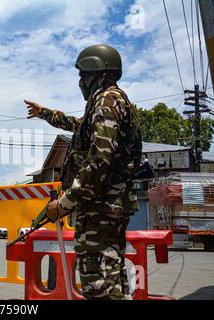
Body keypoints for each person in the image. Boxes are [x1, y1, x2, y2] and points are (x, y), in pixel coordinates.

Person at [25, 44, 143, 300]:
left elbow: (100, 159)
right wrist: (44, 113)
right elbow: (78, 126)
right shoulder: (106, 102)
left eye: (84, 76)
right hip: (107, 206)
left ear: (99, 74)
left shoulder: (107, 101)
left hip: (100, 206)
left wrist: (66, 202)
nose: (80, 82)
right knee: (111, 278)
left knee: (99, 283)